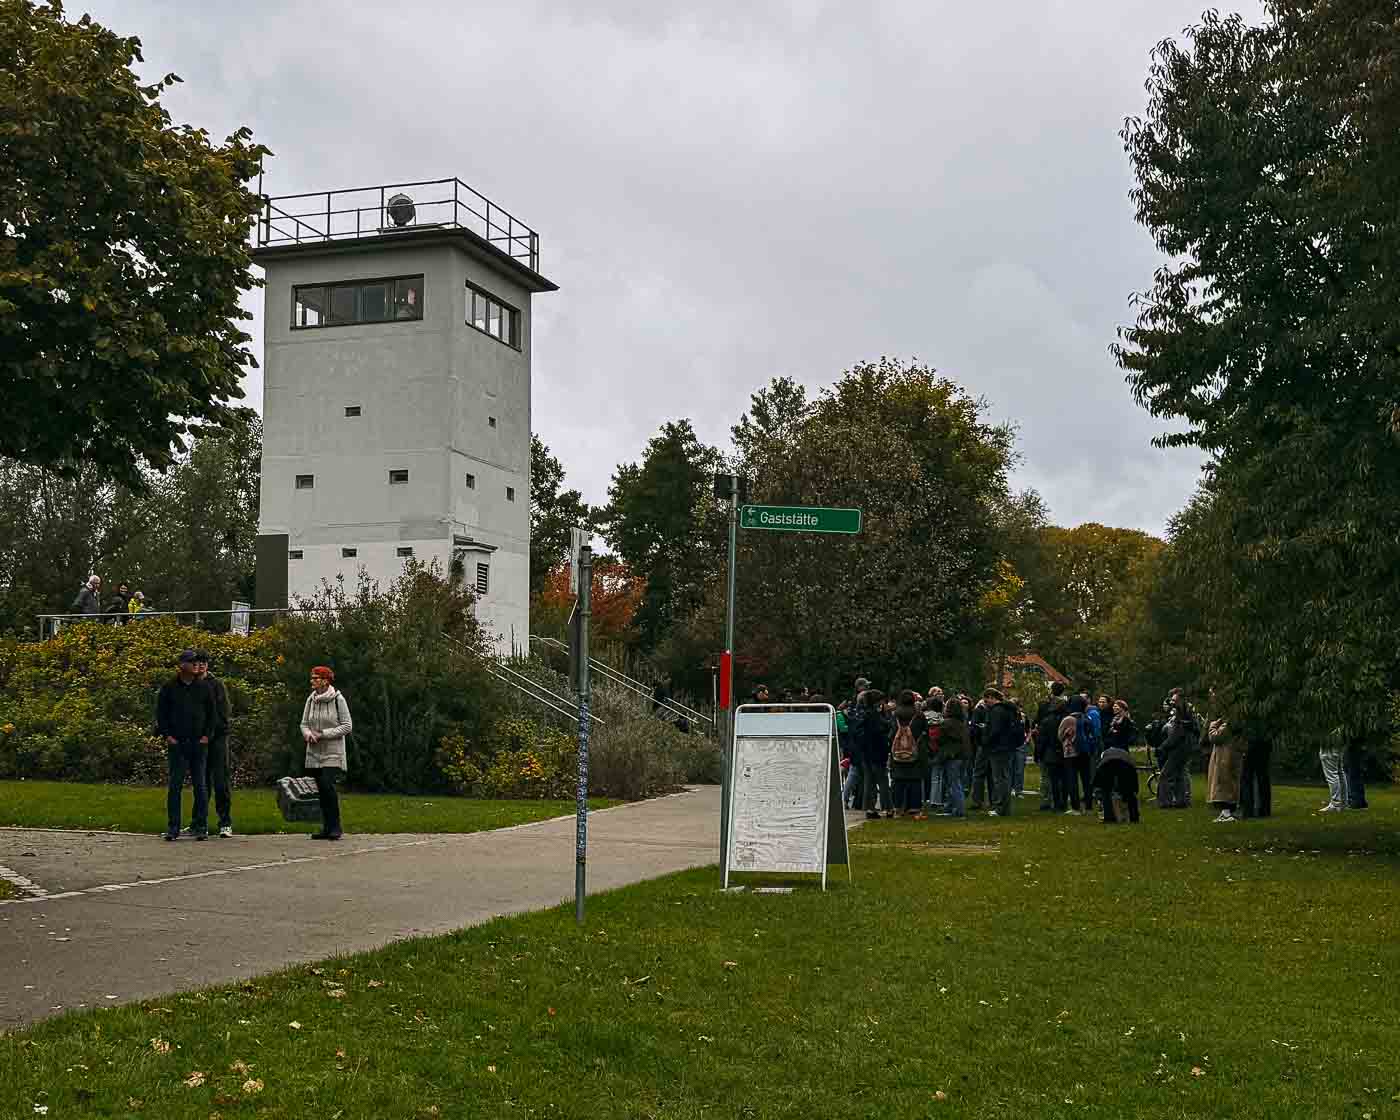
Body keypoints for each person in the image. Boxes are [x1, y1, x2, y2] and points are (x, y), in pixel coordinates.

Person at [156, 649, 217, 841]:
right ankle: (173, 827)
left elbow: (212, 714)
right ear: (182, 665)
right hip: (178, 743)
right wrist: (168, 736)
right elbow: (161, 713)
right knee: (175, 785)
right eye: (191, 662)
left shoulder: (204, 687)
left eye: (196, 662)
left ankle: (201, 825)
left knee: (200, 785)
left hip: (198, 743)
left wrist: (207, 735)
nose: (195, 665)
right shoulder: (169, 687)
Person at [301, 665, 353, 840]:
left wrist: (323, 734)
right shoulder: (311, 700)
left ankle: (335, 826)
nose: (312, 681)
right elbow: (304, 724)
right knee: (321, 790)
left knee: (327, 786)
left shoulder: (338, 699)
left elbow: (347, 726)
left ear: (325, 680)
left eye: (315, 678)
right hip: (314, 752)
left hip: (333, 752)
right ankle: (326, 827)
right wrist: (308, 734)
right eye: (312, 678)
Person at [191, 650, 234, 838]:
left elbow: (223, 713)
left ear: (207, 665)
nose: (199, 666)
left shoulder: (216, 685)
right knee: (201, 782)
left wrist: (211, 733)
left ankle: (225, 822)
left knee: (220, 781)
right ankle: (198, 822)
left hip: (216, 739)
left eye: (203, 663)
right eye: (196, 663)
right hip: (197, 740)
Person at [887, 690, 930, 819]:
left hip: (898, 752)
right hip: (915, 751)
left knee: (898, 781)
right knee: (915, 780)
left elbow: (891, 733)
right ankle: (914, 808)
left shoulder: (895, 715)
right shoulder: (919, 715)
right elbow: (925, 732)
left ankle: (898, 807)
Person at [1156, 689, 1199, 809]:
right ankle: (1181, 801)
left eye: (1174, 700)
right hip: (1184, 747)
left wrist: (1163, 747)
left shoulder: (1183, 712)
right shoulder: (1184, 712)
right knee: (1179, 774)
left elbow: (1177, 734)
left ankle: (1165, 802)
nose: (1172, 702)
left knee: (1165, 775)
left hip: (1179, 748)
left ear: (1180, 700)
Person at [856, 688, 892, 820]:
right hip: (877, 751)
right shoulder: (875, 716)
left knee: (869, 781)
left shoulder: (863, 715)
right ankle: (887, 808)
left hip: (866, 752)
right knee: (882, 781)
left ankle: (870, 808)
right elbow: (883, 730)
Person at [934, 697, 971, 817]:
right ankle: (950, 807)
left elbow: (940, 740)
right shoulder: (962, 723)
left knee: (953, 783)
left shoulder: (946, 723)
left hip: (952, 756)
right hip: (963, 755)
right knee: (957, 782)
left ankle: (959, 810)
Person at [1035, 682, 1070, 811]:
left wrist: (1038, 753)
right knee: (1063, 778)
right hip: (1064, 750)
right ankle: (1063, 802)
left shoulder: (1045, 712)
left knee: (1048, 777)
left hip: (1049, 750)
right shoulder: (1068, 717)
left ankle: (1048, 801)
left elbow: (1041, 736)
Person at [1205, 713, 1244, 822]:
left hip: (1224, 756)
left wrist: (1212, 725)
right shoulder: (1236, 723)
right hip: (1230, 754)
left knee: (1223, 784)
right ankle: (1227, 812)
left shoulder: (1228, 724)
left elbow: (1214, 737)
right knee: (1229, 783)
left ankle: (1226, 813)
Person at [1092, 741, 1141, 823]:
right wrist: (1135, 789)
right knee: (1129, 793)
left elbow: (1098, 777)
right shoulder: (1124, 753)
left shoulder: (1103, 756)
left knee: (1106, 792)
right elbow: (1133, 778)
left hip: (1107, 765)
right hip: (1126, 766)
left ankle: (1109, 818)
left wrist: (1098, 790)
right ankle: (1134, 817)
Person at [1058, 698, 1088, 814]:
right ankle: (1088, 805)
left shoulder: (1068, 719)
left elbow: (1060, 735)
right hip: (1085, 751)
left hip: (1071, 752)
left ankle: (1075, 807)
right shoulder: (1086, 717)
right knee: (1086, 779)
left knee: (1072, 779)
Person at [1238, 732, 1272, 819]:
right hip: (1264, 742)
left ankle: (1248, 810)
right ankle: (1265, 810)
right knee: (1263, 777)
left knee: (1246, 778)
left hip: (1251, 743)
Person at [1317, 742, 1348, 813]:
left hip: (1329, 744)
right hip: (1338, 742)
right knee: (1339, 772)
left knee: (1332, 775)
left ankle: (1335, 805)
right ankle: (1343, 803)